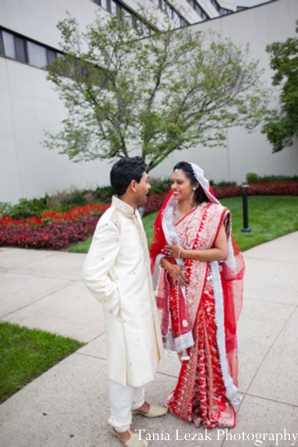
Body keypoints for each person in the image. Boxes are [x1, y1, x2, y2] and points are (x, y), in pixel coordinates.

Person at [150, 161, 245, 429]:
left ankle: (209, 400)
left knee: (205, 342)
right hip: (178, 288)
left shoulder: (214, 213)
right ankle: (189, 395)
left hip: (205, 288)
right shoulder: (167, 214)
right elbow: (157, 251)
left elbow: (222, 252)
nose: (173, 187)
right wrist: (168, 264)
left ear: (195, 184)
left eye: (179, 182)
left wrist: (185, 255)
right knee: (188, 346)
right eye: (171, 182)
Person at [83, 157, 167, 447]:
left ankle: (138, 403)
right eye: (146, 179)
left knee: (140, 356)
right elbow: (92, 274)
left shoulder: (131, 212)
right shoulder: (112, 221)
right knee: (123, 366)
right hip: (124, 311)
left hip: (140, 306)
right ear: (134, 185)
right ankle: (119, 425)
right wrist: (119, 303)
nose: (149, 185)